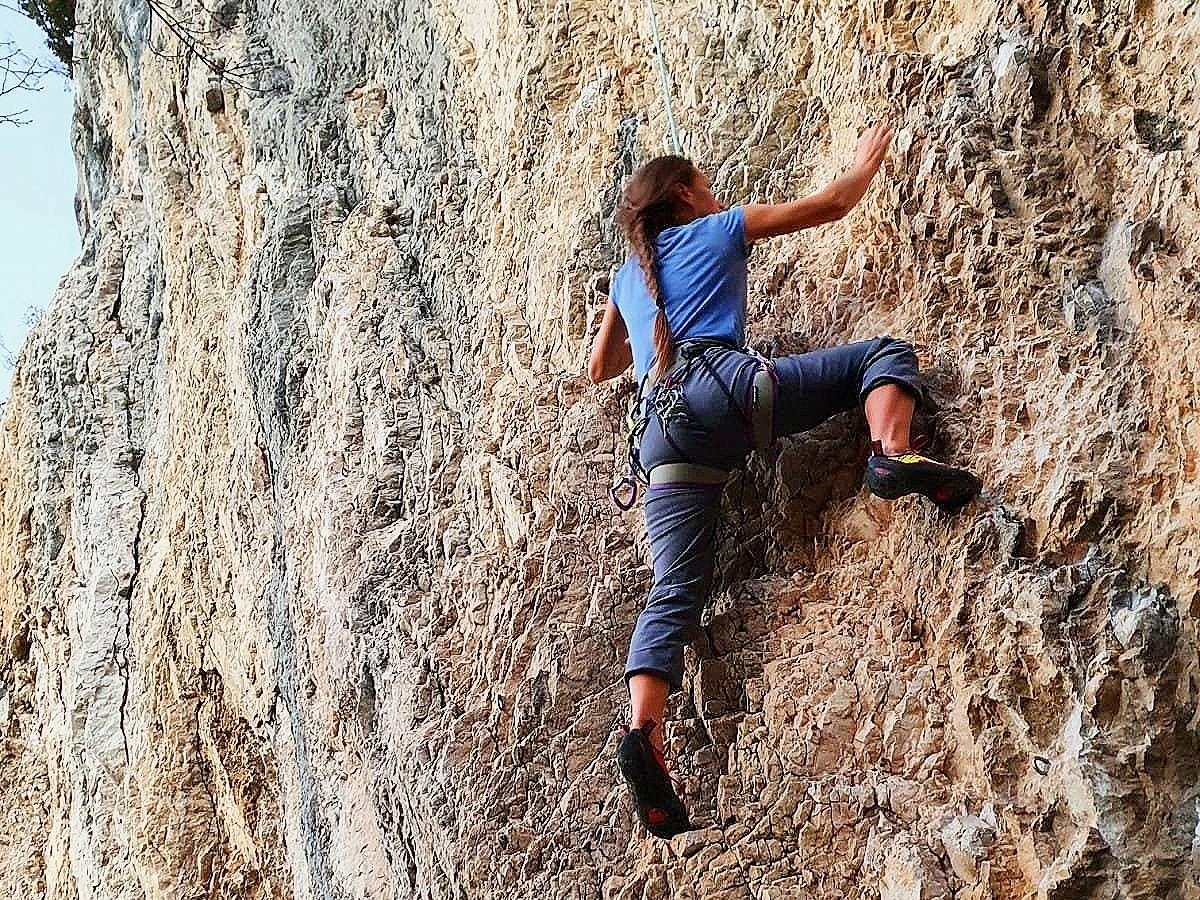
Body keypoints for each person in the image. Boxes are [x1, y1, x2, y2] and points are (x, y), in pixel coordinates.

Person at [586, 124, 981, 839]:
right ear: (685, 194)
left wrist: (638, 311)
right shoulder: (720, 228)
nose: (716, 194)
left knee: (675, 587)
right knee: (882, 353)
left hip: (660, 435)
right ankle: (891, 450)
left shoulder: (626, 274)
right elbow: (831, 206)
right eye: (705, 185)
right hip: (725, 389)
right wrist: (865, 165)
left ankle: (644, 730)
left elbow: (601, 367)